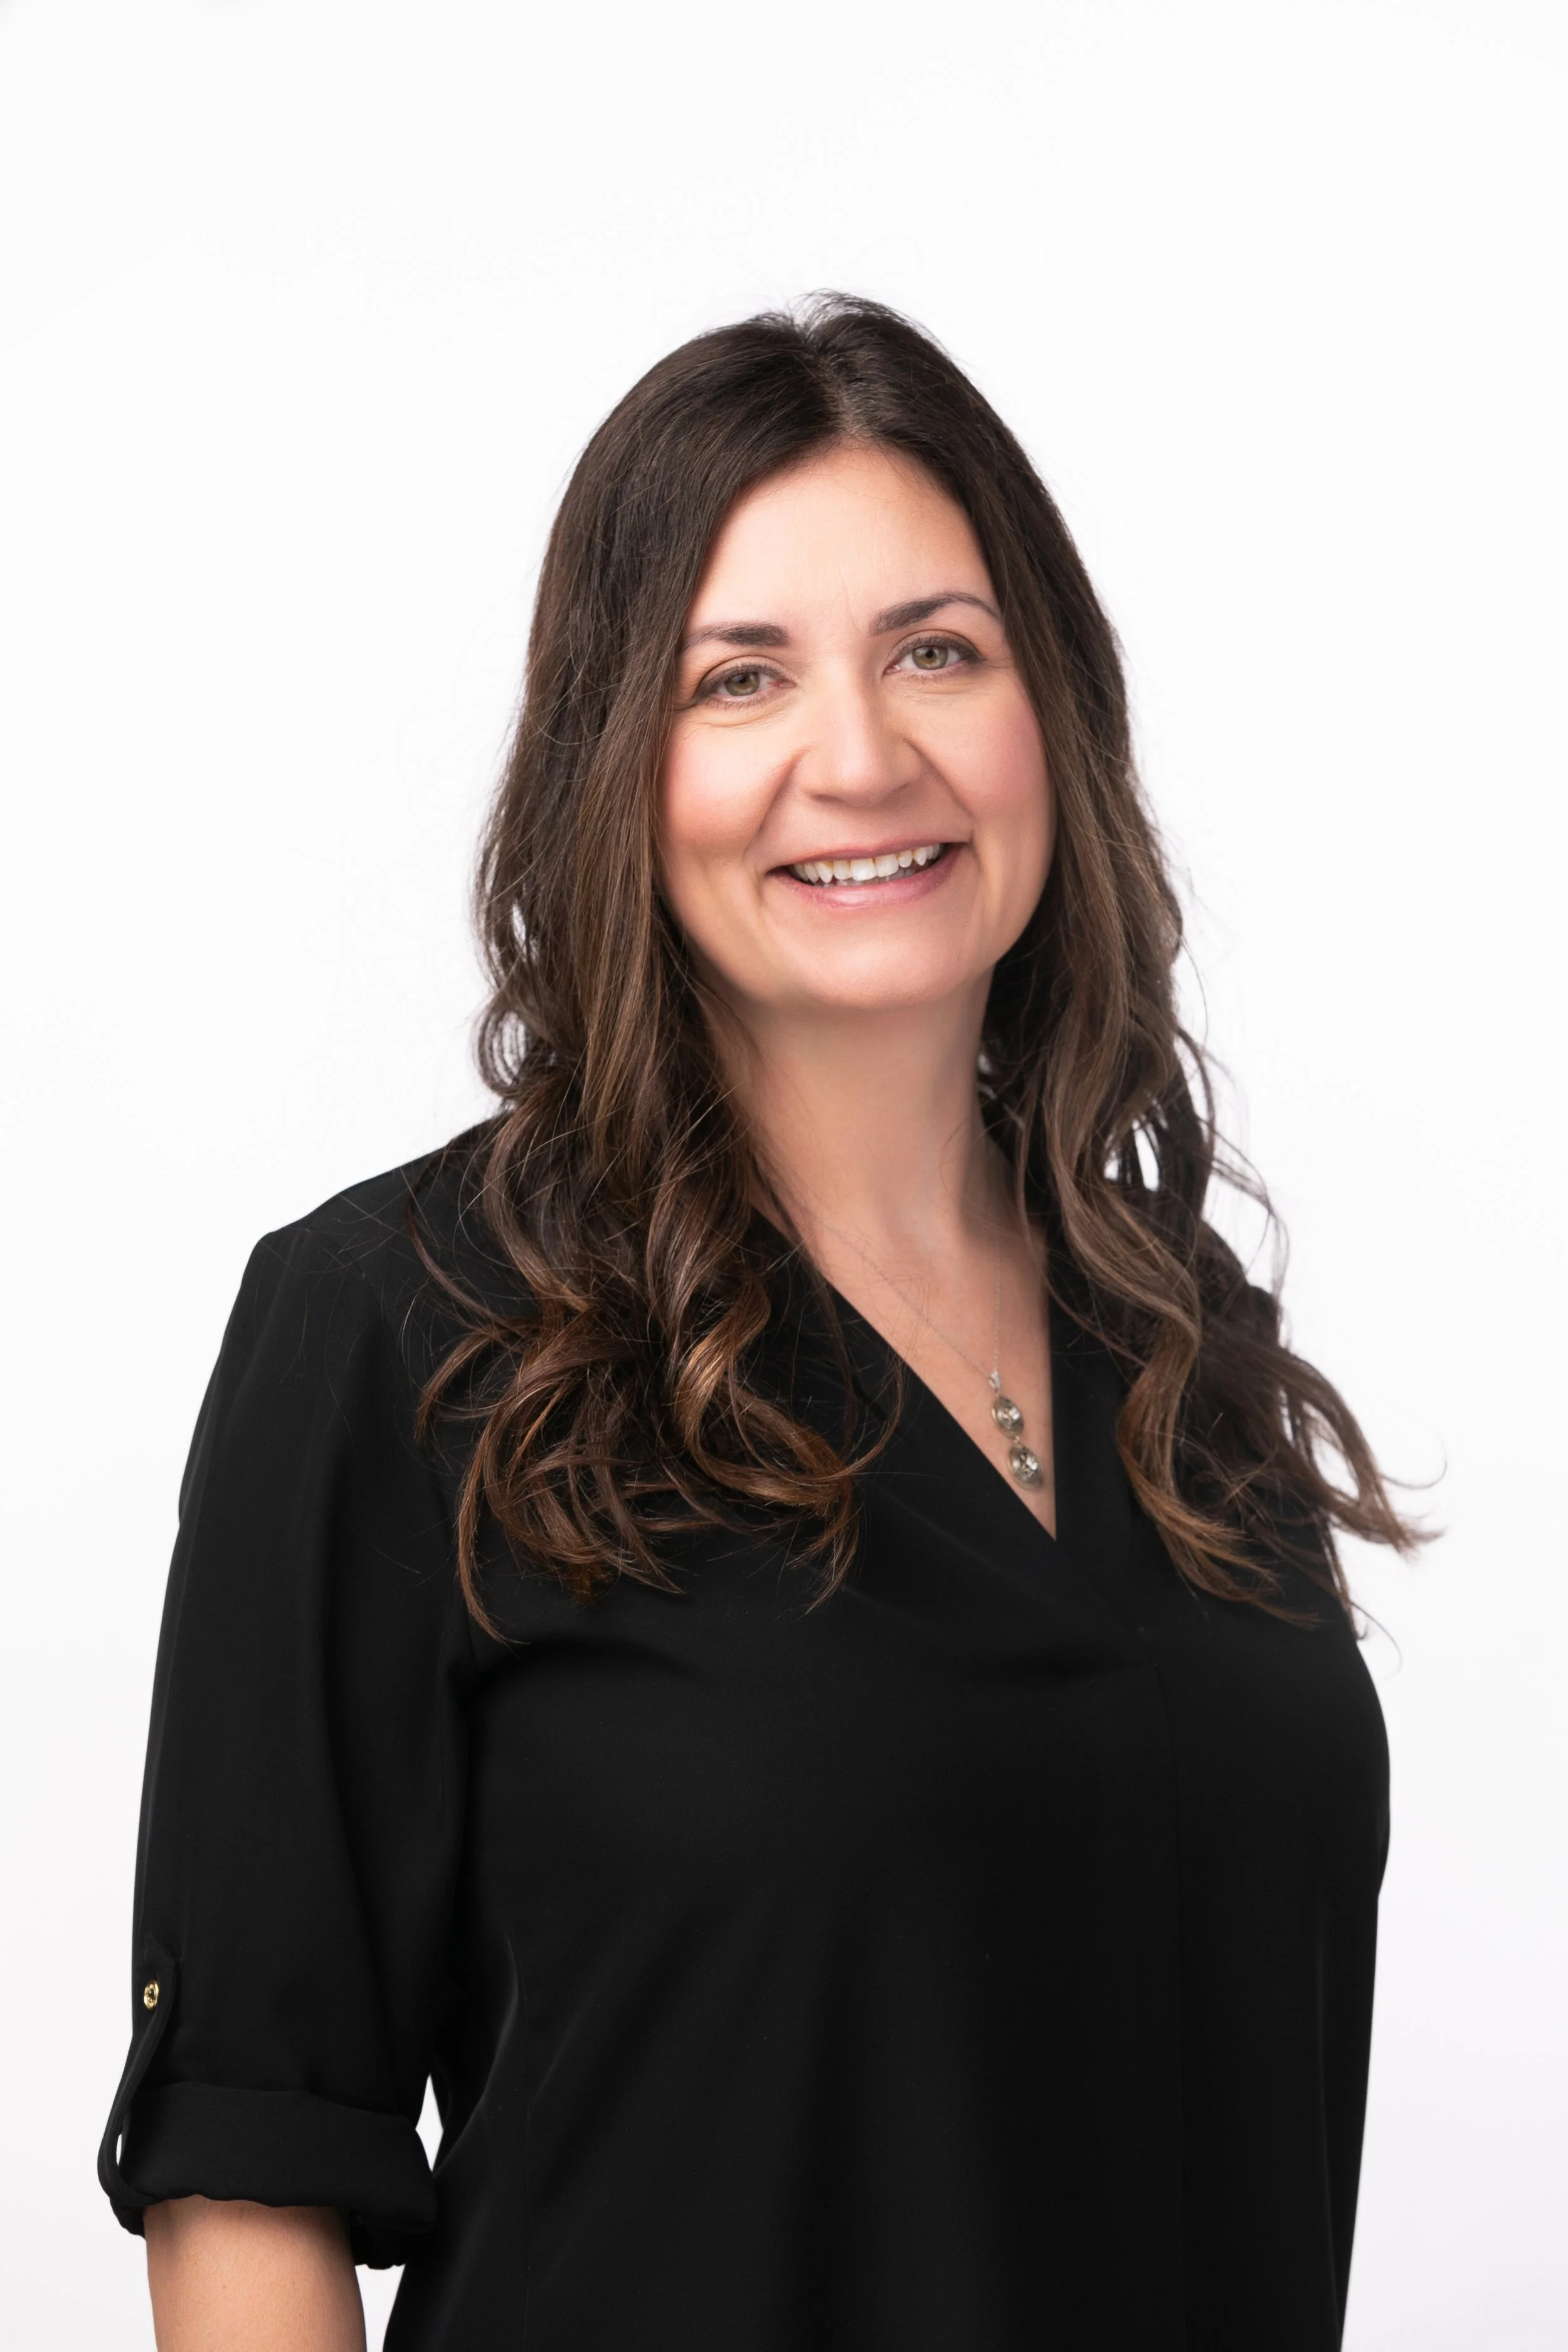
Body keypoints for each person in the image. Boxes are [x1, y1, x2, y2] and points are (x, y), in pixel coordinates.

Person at [100, 295, 1416, 2351]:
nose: (861, 755)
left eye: (936, 650)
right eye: (742, 677)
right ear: (618, 763)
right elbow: (253, 2162)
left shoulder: (1185, 1357)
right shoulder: (398, 1329)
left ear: (1046, 709)